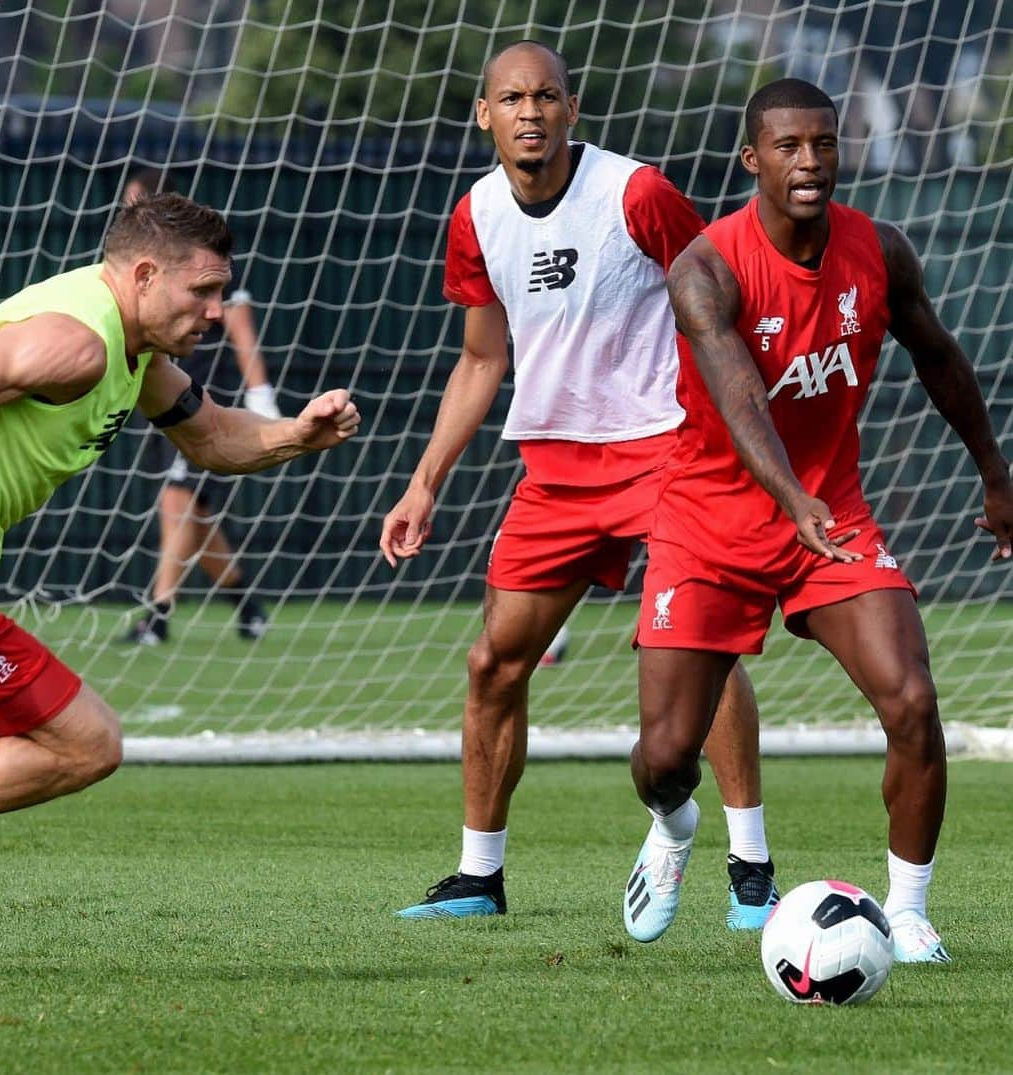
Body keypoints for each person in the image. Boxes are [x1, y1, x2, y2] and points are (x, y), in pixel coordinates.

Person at [380, 40, 778, 934]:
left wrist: (746, 439)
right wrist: (423, 483)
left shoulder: (636, 194)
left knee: (697, 650)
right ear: (484, 114)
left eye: (546, 96)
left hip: (669, 452)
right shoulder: (475, 214)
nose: (529, 112)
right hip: (556, 472)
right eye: (511, 98)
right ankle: (479, 874)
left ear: (572, 110)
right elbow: (483, 359)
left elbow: (720, 298)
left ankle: (750, 866)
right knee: (493, 663)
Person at [642, 77, 1012, 962]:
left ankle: (911, 909)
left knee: (914, 703)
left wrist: (997, 473)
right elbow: (738, 396)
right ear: (751, 158)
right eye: (788, 147)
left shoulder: (880, 252)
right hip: (708, 523)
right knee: (662, 759)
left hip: (831, 519)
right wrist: (785, 493)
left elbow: (941, 357)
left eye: (824, 145)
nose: (809, 163)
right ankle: (674, 826)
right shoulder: (704, 268)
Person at [0, 192, 359, 825]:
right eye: (204, 291)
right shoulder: (76, 343)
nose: (217, 312)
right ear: (144, 276)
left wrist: (299, 433)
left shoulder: (133, 351)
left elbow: (211, 436)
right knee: (87, 742)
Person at [120, 168, 280, 645]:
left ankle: (158, 615)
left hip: (204, 403)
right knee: (195, 515)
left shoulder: (208, 259)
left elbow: (242, 330)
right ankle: (247, 606)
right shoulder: (138, 270)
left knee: (177, 503)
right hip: (160, 398)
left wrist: (261, 397)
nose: (128, 214)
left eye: (136, 205)